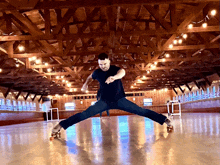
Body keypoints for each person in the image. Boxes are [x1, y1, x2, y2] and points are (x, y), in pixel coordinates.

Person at [50, 53, 173, 140]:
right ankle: (60, 125)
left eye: (104, 63)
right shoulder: (97, 72)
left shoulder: (115, 70)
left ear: (109, 61)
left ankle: (165, 120)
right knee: (84, 114)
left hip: (120, 100)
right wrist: (85, 85)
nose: (103, 66)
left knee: (141, 111)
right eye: (100, 64)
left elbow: (122, 72)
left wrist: (114, 77)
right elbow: (89, 77)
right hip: (104, 102)